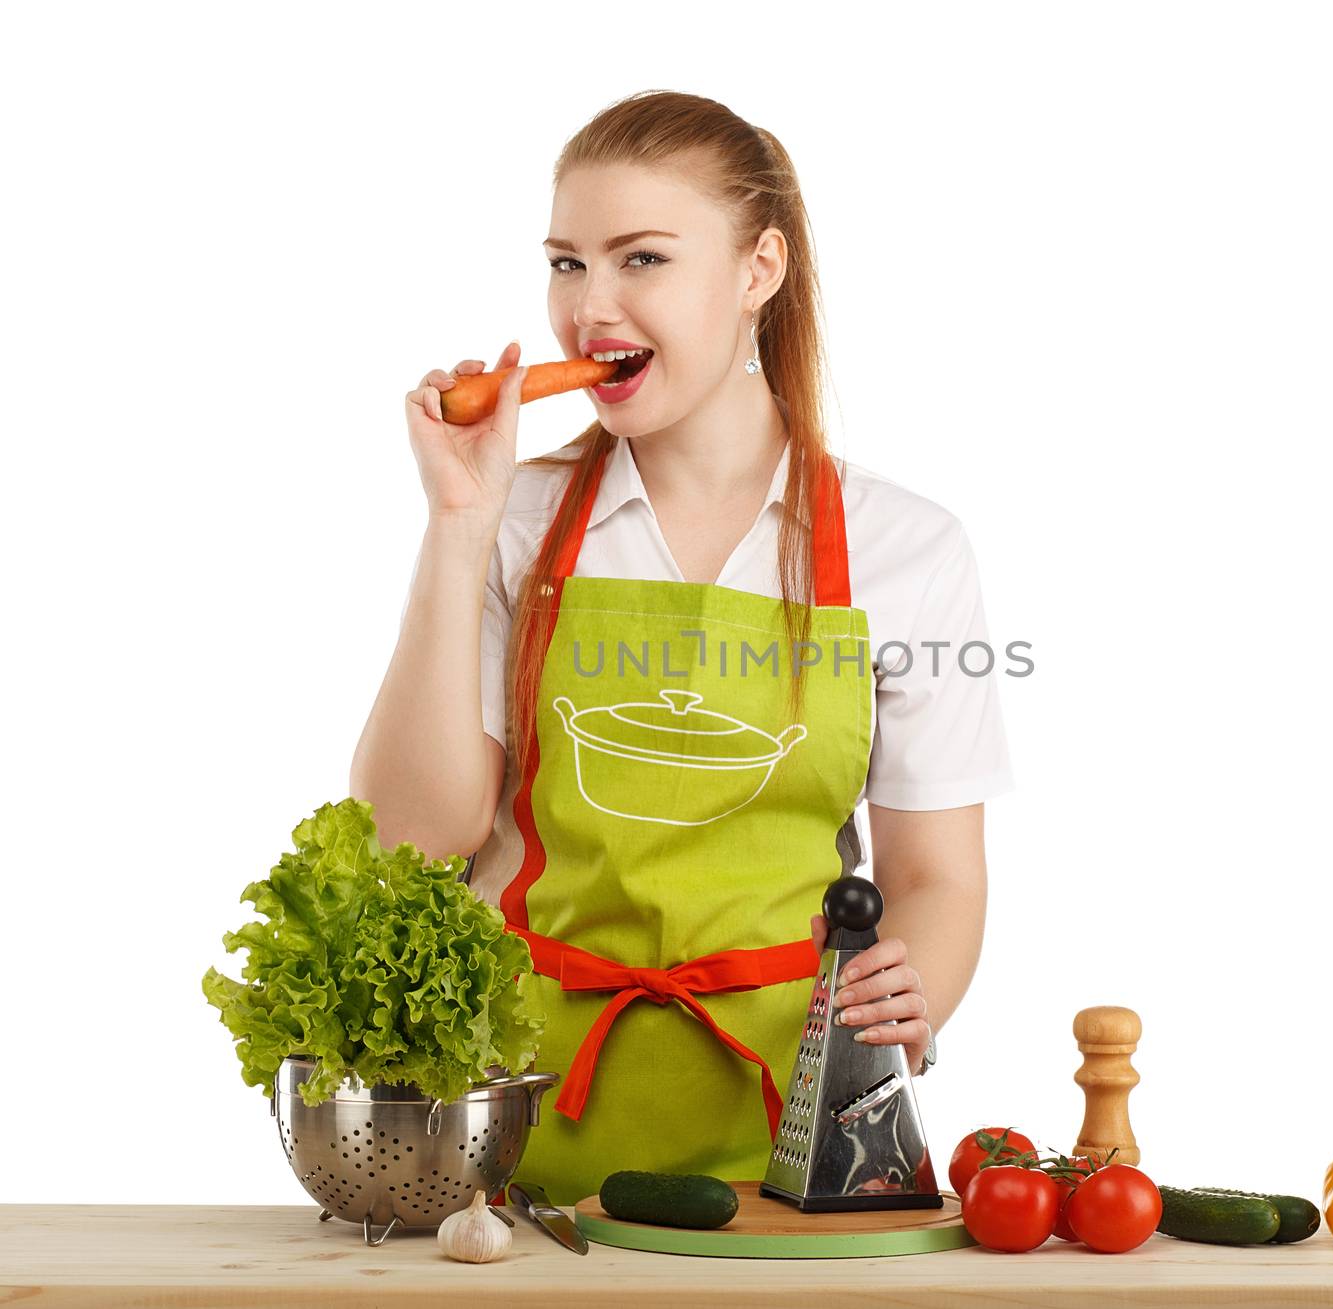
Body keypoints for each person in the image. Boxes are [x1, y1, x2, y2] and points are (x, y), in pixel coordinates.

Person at [350, 90, 1014, 1207]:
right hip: (513, 1144)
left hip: (794, 1152)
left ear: (760, 268)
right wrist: (456, 528)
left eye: (640, 259)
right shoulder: (512, 522)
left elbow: (934, 878)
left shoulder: (910, 550)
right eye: (566, 264)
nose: (587, 309)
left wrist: (919, 989)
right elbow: (412, 833)